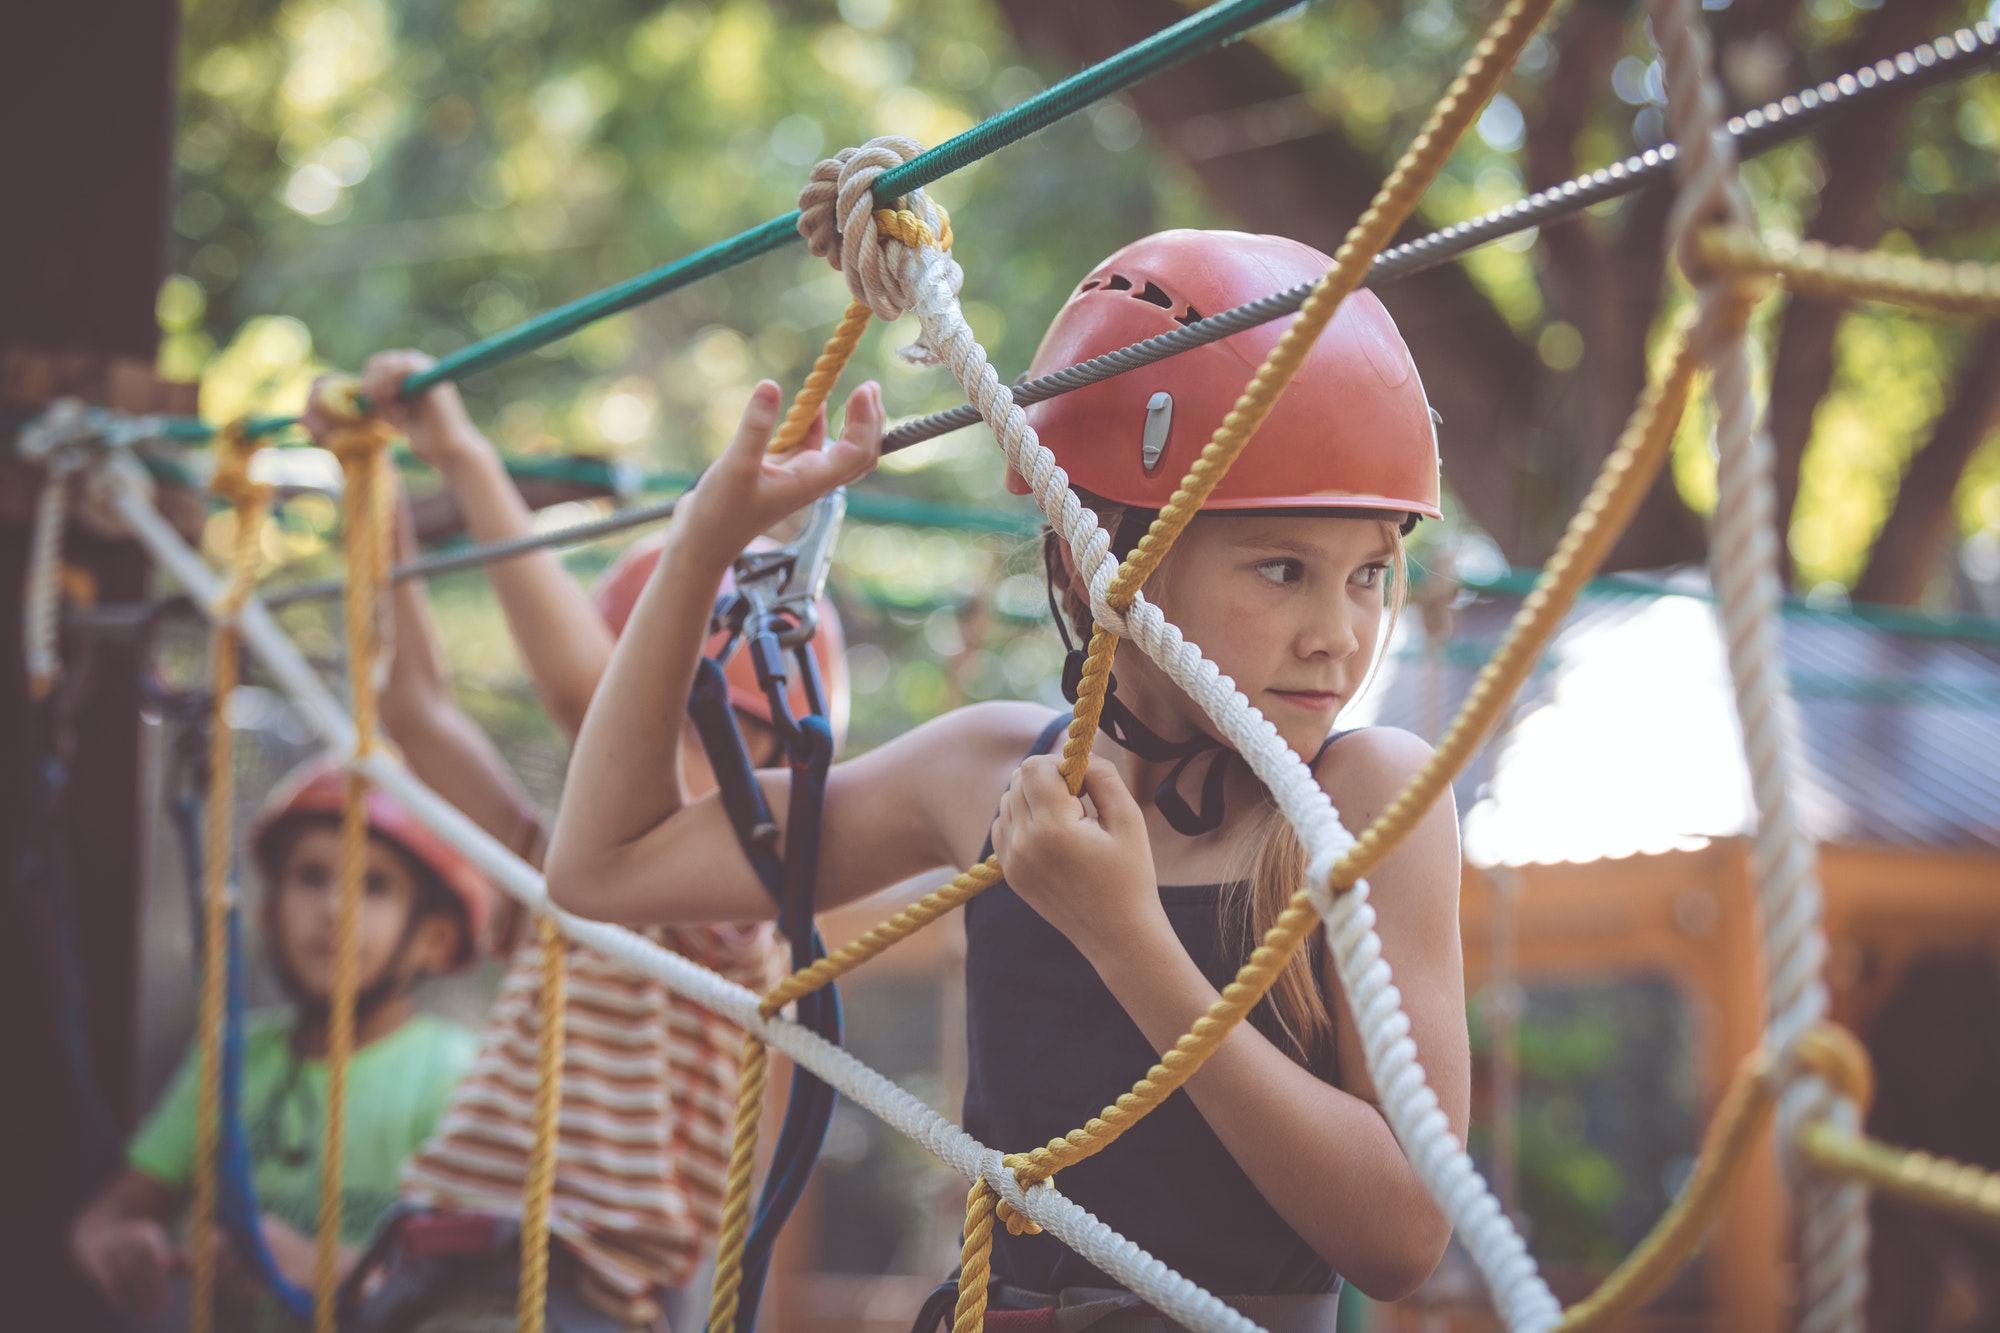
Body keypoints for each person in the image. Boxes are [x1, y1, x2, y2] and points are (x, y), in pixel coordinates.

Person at [544, 229, 1471, 1328]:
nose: (1337, 635)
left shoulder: (1363, 802)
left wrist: (1125, 936)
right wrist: (700, 545)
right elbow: (605, 866)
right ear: (1102, 553)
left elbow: (1402, 1235)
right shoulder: (991, 773)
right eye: (1281, 570)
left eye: (1370, 574)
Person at [310, 355, 844, 1332]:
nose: (639, 749)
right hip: (435, 1259)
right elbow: (414, 705)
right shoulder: (568, 885)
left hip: (577, 1294)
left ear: (778, 762)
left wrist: (464, 454)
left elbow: (581, 695)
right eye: (654, 721)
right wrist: (370, 486)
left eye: (700, 725)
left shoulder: (737, 910)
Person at [68, 755, 490, 1330]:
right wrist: (116, 1239)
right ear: (268, 915)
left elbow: (481, 1293)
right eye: (312, 877)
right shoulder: (232, 1058)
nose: (333, 909)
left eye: (375, 885)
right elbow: (111, 1213)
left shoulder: (460, 1078)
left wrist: (324, 1266)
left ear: (436, 940)